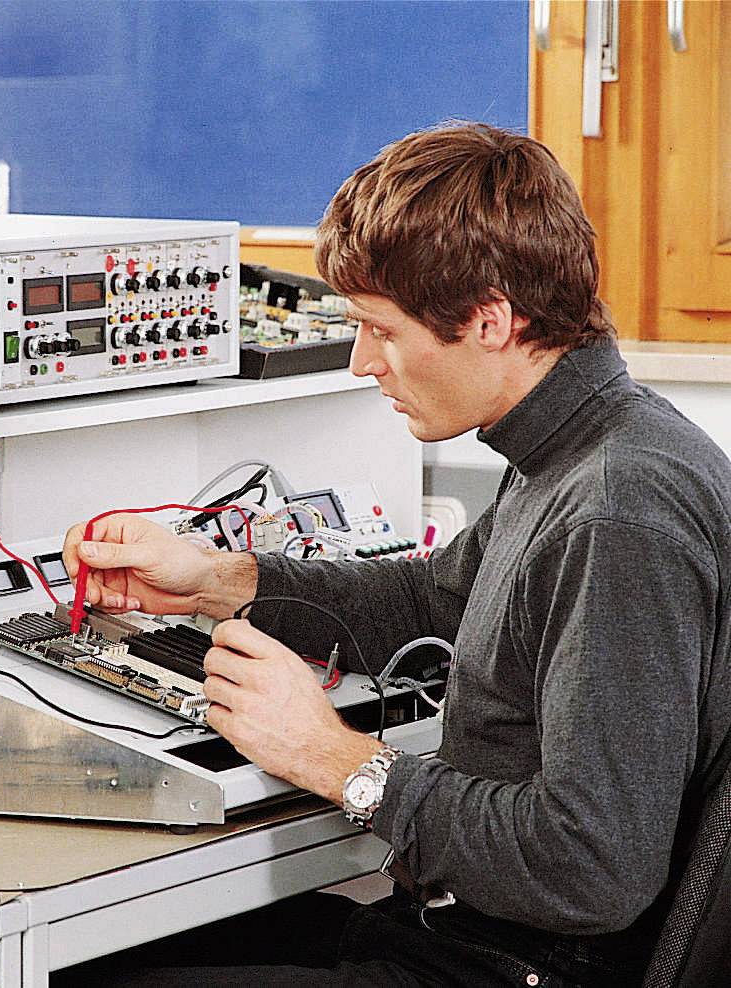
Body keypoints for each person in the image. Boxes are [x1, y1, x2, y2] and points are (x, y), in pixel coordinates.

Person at [58, 123, 731, 987]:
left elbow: (592, 868)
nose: (360, 361)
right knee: (127, 951)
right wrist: (215, 582)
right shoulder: (583, 449)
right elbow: (436, 604)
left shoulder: (616, 512)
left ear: (490, 320)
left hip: (518, 967)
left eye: (380, 329)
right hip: (469, 940)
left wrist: (335, 758)